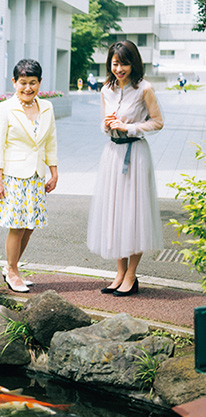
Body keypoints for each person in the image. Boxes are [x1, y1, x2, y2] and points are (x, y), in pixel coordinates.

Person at [87, 40, 164, 297]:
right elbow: (103, 122)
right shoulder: (106, 89)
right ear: (110, 63)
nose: (120, 68)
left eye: (125, 63)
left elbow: (157, 122)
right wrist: (108, 126)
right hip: (112, 154)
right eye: (115, 63)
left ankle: (131, 275)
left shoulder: (144, 89)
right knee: (114, 213)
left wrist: (129, 127)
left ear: (134, 63)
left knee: (134, 214)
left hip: (136, 155)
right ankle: (118, 273)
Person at [0, 59, 59, 293]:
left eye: (33, 83)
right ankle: (12, 271)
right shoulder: (5, 108)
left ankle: (13, 268)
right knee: (17, 226)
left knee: (30, 226)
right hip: (13, 176)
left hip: (36, 175)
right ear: (14, 82)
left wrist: (53, 171)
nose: (28, 88)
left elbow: (50, 140)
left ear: (40, 83)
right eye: (23, 82)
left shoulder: (47, 107)